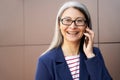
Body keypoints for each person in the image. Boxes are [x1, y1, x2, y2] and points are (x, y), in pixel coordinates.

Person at [35, 1, 112, 80]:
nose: (73, 26)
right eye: (67, 20)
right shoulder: (46, 61)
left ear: (86, 25)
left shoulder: (94, 54)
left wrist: (90, 55)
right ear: (59, 24)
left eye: (79, 21)